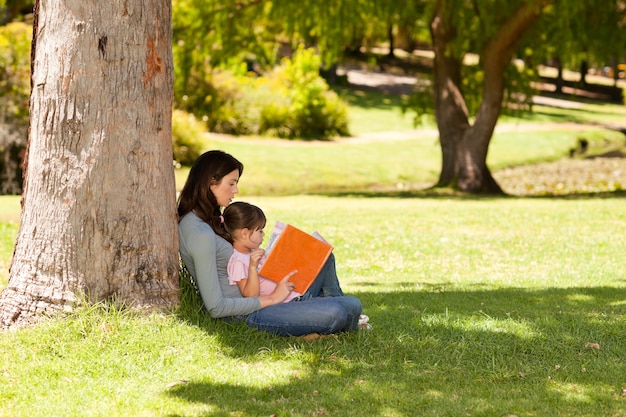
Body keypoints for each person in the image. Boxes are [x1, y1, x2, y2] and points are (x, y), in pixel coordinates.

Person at [177, 150, 366, 336]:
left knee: (327, 264)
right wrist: (274, 297)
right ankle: (328, 316)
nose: (236, 190)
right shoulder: (198, 232)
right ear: (211, 183)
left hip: (264, 298)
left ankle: (325, 313)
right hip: (246, 314)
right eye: (231, 183)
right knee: (338, 312)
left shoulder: (209, 219)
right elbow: (216, 307)